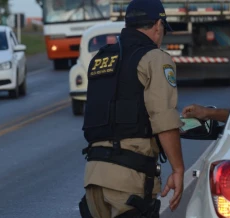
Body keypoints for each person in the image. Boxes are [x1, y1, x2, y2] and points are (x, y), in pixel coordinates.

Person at [79, 0, 185, 217]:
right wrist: (178, 169)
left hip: (93, 180)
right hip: (128, 181)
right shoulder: (155, 58)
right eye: (163, 28)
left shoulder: (101, 58)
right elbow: (163, 119)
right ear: (157, 25)